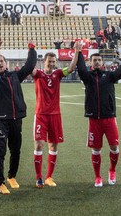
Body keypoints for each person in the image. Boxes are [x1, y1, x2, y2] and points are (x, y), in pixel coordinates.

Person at [75, 40, 121, 187]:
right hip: (94, 119)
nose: (97, 62)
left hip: (109, 118)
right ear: (90, 62)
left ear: (102, 62)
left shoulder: (109, 76)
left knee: (114, 147)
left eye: (99, 60)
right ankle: (98, 176)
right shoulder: (87, 77)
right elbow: (80, 69)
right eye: (94, 60)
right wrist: (79, 52)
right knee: (96, 149)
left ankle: (112, 171)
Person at [0, 38, 37, 194]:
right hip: (1, 120)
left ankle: (12, 176)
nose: (0, 63)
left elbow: (29, 66)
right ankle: (0, 183)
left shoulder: (15, 76)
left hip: (17, 119)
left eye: (3, 61)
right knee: (0, 152)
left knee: (16, 150)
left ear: (7, 64)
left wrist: (31, 49)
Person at [31, 51, 78, 189]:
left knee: (53, 145)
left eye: (53, 61)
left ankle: (49, 177)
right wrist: (31, 52)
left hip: (55, 115)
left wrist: (77, 51)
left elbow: (70, 68)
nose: (51, 64)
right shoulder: (38, 74)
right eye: (49, 61)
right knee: (39, 145)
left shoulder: (58, 74)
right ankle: (39, 177)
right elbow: (30, 69)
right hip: (41, 115)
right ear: (44, 62)